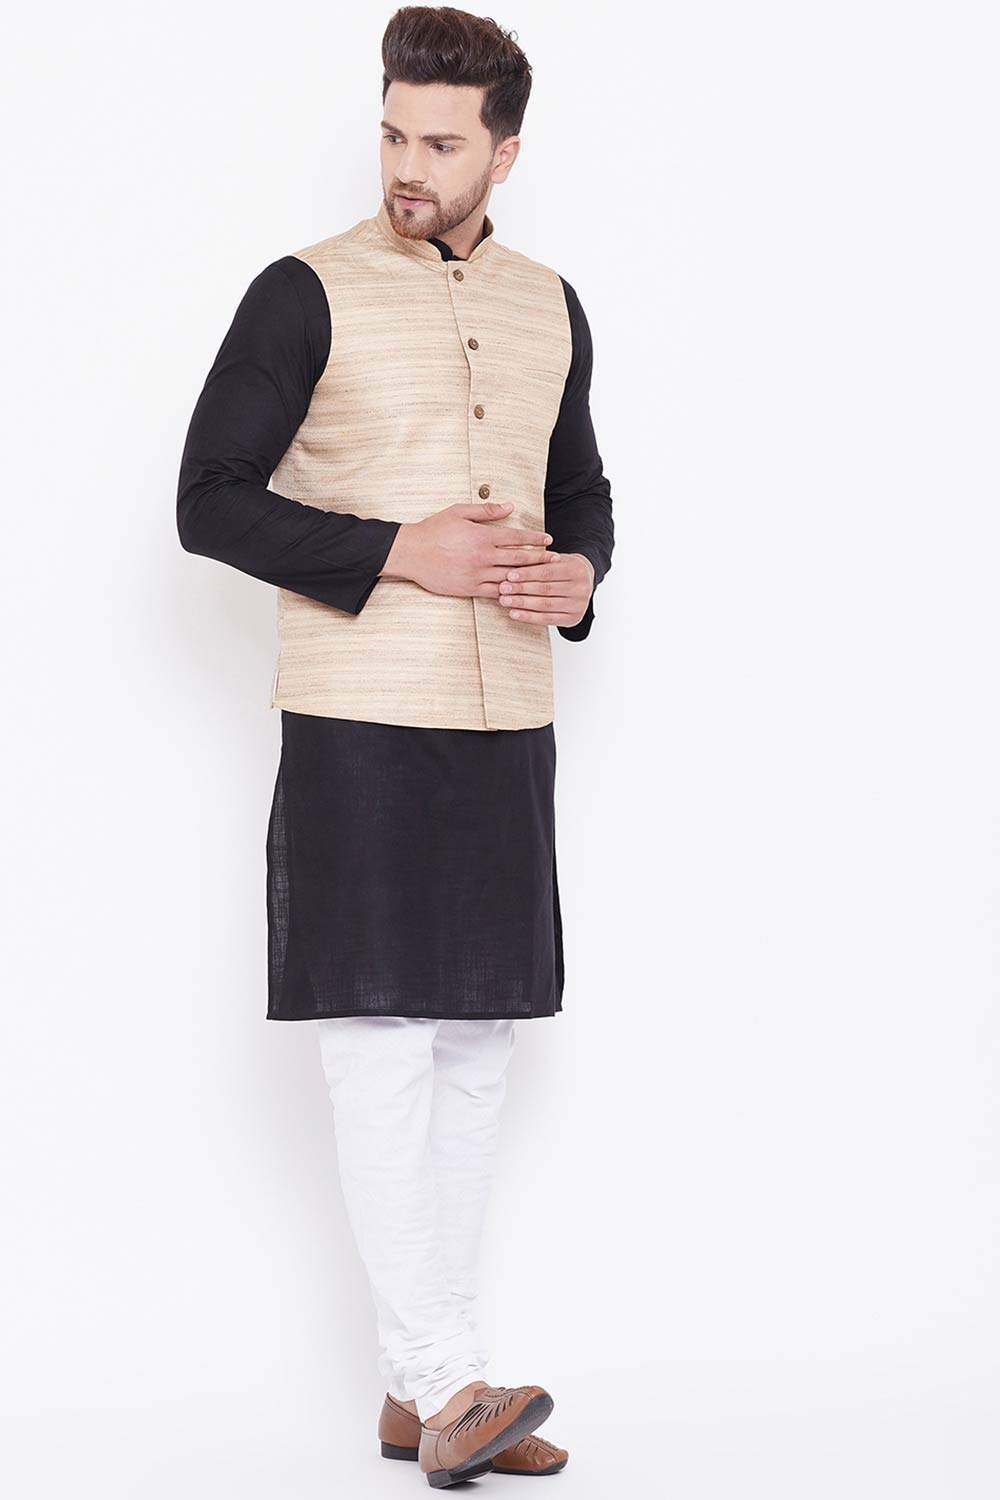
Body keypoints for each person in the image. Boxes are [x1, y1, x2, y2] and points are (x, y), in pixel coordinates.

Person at [176, 6, 614, 1488]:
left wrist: (582, 575)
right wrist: (396, 550)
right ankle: (443, 1378)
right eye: (391, 134)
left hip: (508, 715)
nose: (407, 166)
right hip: (360, 715)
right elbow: (209, 499)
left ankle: (424, 1385)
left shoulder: (552, 304)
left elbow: (580, 486)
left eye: (440, 141)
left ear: (505, 152)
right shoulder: (300, 291)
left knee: (479, 1037)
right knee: (378, 1043)